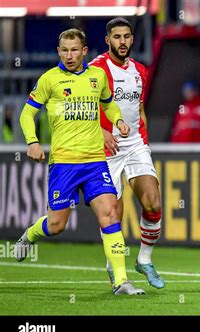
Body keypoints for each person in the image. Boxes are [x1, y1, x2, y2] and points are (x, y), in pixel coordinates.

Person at [14, 28, 144, 295]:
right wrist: (32, 141)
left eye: (74, 50)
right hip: (64, 164)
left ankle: (121, 281)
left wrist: (118, 119)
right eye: (64, 50)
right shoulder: (49, 79)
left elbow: (108, 104)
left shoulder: (97, 76)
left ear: (84, 51)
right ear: (58, 51)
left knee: (109, 213)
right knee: (57, 225)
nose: (69, 55)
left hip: (96, 161)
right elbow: (27, 114)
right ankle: (31, 234)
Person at [89, 18, 164, 289]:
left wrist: (145, 143)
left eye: (127, 36)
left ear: (132, 39)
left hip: (135, 144)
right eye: (117, 37)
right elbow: (86, 108)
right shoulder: (95, 69)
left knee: (153, 202)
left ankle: (144, 259)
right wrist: (102, 132)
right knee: (113, 215)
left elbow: (139, 109)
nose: (122, 42)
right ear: (108, 40)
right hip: (105, 149)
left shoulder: (140, 71)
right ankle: (115, 267)